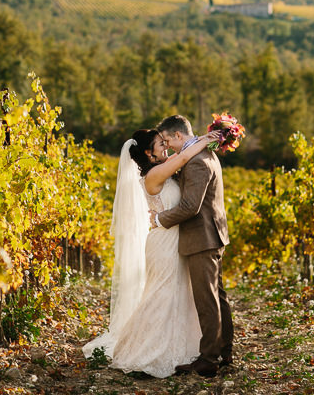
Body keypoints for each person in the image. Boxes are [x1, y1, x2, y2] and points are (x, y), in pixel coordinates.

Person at [83, 127, 220, 378]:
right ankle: (145, 350)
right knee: (161, 294)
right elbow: (182, 158)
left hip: (174, 239)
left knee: (175, 293)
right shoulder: (155, 174)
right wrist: (204, 140)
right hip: (163, 242)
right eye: (160, 144)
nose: (165, 147)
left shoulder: (164, 171)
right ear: (148, 153)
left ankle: (175, 348)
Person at [151, 114, 234, 378]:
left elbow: (190, 206)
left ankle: (209, 359)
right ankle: (224, 352)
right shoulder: (205, 152)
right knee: (217, 297)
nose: (167, 147)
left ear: (178, 135)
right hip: (213, 234)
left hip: (202, 238)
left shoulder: (197, 160)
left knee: (207, 300)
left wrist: (158, 219)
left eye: (167, 140)